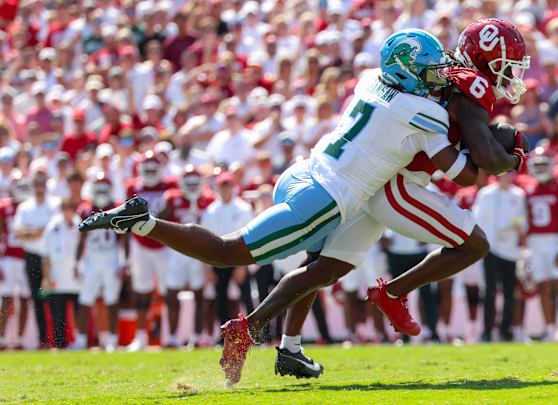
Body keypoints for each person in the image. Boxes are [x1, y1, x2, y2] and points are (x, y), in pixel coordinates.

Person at [81, 28, 521, 384]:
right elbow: (464, 174)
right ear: (409, 73)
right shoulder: (422, 114)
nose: (439, 75)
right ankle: (145, 224)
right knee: (227, 251)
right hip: (326, 197)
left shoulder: (372, 78)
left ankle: (287, 350)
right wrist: (499, 145)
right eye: (429, 70)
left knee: (321, 266)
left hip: (302, 172)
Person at [124, 150, 176, 351]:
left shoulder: (170, 185)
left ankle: (170, 336)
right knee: (141, 293)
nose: (151, 172)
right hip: (140, 243)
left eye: (154, 168)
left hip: (164, 244)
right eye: (147, 169)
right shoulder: (133, 187)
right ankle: (140, 337)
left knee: (169, 292)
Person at [157, 166, 215, 349]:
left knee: (199, 293)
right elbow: (160, 220)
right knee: (172, 292)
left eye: (194, 183)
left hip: (199, 252)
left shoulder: (209, 200)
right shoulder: (173, 199)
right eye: (188, 183)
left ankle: (197, 336)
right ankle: (173, 337)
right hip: (177, 251)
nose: (191, 187)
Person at [524, 148, 558, 341]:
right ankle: (550, 328)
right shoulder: (528, 190)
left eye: (544, 164)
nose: (541, 168)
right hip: (535, 242)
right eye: (538, 165)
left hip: (555, 240)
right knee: (543, 287)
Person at [472, 171, 526, 342]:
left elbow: (522, 220)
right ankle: (487, 331)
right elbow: (478, 219)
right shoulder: (486, 194)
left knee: (510, 292)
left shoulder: (518, 194)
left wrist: (519, 231)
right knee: (489, 291)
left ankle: (505, 330)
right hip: (490, 248)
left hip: (510, 250)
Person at [74, 174, 126, 351]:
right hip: (92, 257)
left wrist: (123, 262)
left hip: (111, 257)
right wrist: (77, 263)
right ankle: (81, 340)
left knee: (112, 299)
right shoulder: (85, 209)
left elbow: (123, 239)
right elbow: (81, 240)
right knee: (84, 299)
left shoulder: (117, 208)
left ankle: (112, 340)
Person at [199, 172, 254, 329]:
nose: (226, 190)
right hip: (219, 258)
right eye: (223, 186)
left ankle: (254, 333)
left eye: (228, 186)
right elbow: (205, 239)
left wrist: (243, 265)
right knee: (220, 299)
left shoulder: (243, 208)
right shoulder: (211, 210)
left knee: (247, 298)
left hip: (239, 257)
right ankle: (223, 336)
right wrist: (207, 267)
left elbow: (249, 236)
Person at [14, 169, 59, 349]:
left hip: (51, 257)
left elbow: (56, 230)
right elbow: (19, 233)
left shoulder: (54, 204)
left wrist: (32, 231)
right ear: (33, 187)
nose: (40, 188)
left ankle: (58, 339)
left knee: (54, 297)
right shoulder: (25, 207)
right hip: (32, 257)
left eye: (42, 184)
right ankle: (43, 340)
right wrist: (41, 230)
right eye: (37, 184)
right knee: (37, 298)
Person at [41, 198, 81, 349]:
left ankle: (80, 341)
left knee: (80, 311)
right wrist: (45, 278)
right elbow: (46, 256)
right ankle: (59, 344)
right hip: (58, 276)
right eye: (65, 208)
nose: (68, 212)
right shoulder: (53, 227)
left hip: (77, 276)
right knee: (58, 313)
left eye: (70, 208)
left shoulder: (80, 224)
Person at [0, 175, 32, 349]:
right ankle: (2, 338)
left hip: (26, 256)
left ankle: (20, 340)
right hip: (9, 258)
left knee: (25, 298)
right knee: (6, 297)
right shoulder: (5, 207)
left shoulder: (29, 207)